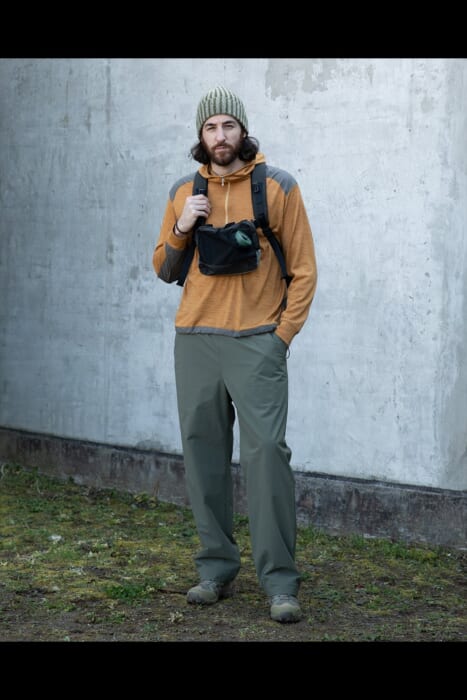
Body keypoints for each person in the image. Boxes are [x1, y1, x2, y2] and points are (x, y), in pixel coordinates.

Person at [153, 85, 317, 623]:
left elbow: (304, 270)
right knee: (203, 457)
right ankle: (216, 569)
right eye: (210, 127)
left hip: (257, 341)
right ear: (200, 136)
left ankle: (280, 582)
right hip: (195, 340)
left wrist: (281, 337)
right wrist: (184, 225)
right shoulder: (184, 191)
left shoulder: (277, 186)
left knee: (267, 456)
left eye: (228, 125)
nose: (220, 136)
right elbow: (164, 267)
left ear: (243, 130)